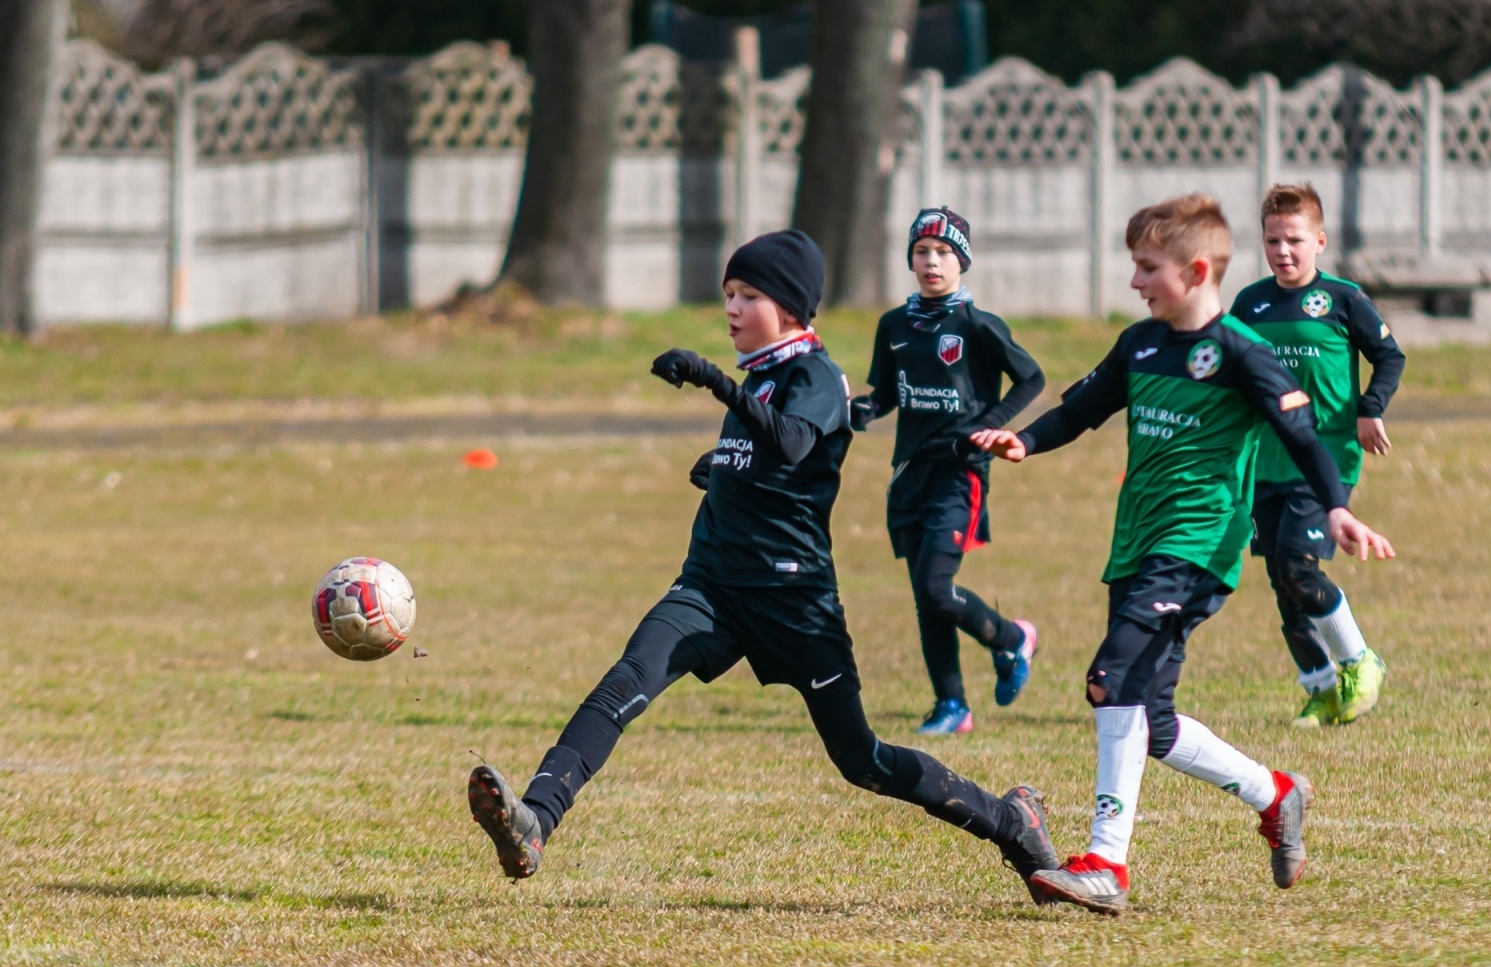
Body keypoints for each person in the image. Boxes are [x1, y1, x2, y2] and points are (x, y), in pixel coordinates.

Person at [467, 229, 1059, 902]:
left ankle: (1012, 821)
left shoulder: (814, 377)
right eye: (727, 294)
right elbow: (757, 457)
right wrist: (718, 465)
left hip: (794, 600)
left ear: (789, 305)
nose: (732, 308)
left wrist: (715, 383)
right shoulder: (764, 377)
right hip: (713, 585)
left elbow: (796, 443)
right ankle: (534, 821)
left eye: (748, 295)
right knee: (623, 683)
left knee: (861, 761)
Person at [970, 195, 1396, 915]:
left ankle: (1106, 862)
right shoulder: (1141, 342)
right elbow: (1083, 407)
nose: (1134, 282)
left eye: (1147, 268)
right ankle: (1275, 793)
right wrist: (1027, 440)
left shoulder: (1241, 352)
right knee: (1154, 719)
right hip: (1137, 539)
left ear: (1195, 270)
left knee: (1113, 679)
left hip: (1197, 546)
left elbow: (1300, 439)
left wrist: (1338, 507)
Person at [850, 207, 1047, 735]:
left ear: (962, 260)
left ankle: (1011, 639)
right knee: (925, 596)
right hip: (909, 474)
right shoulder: (894, 325)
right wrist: (861, 410)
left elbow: (1032, 378)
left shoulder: (977, 325)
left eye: (943, 252)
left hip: (960, 475)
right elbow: (888, 395)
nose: (932, 261)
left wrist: (992, 424)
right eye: (922, 251)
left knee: (938, 589)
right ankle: (952, 706)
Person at [1230, 183, 1406, 727]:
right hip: (1265, 461)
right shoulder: (1250, 304)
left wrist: (1369, 408)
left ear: (1319, 241)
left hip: (1323, 458)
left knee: (1297, 566)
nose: (1283, 251)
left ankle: (1359, 659)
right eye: (1272, 240)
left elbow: (1389, 356)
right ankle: (1321, 687)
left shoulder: (1343, 298)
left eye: (1294, 240)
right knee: (1281, 582)